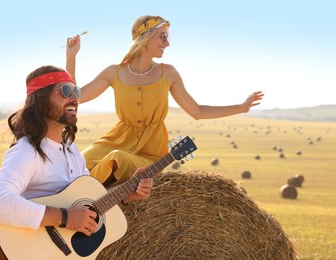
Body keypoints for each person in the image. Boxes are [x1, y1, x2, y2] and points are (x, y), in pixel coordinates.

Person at [65, 15, 264, 186]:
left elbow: (197, 111)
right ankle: (74, 201)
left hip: (149, 154)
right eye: (163, 36)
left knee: (118, 158)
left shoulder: (168, 73)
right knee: (77, 162)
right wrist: (71, 57)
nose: (167, 43)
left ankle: (85, 199)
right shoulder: (113, 72)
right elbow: (75, 98)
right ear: (144, 38)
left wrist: (241, 107)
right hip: (115, 140)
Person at [0, 65, 153, 236]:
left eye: (76, 92)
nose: (74, 98)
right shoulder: (28, 151)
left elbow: (90, 206)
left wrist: (125, 195)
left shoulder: (71, 150)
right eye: (65, 91)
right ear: (41, 99)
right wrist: (64, 217)